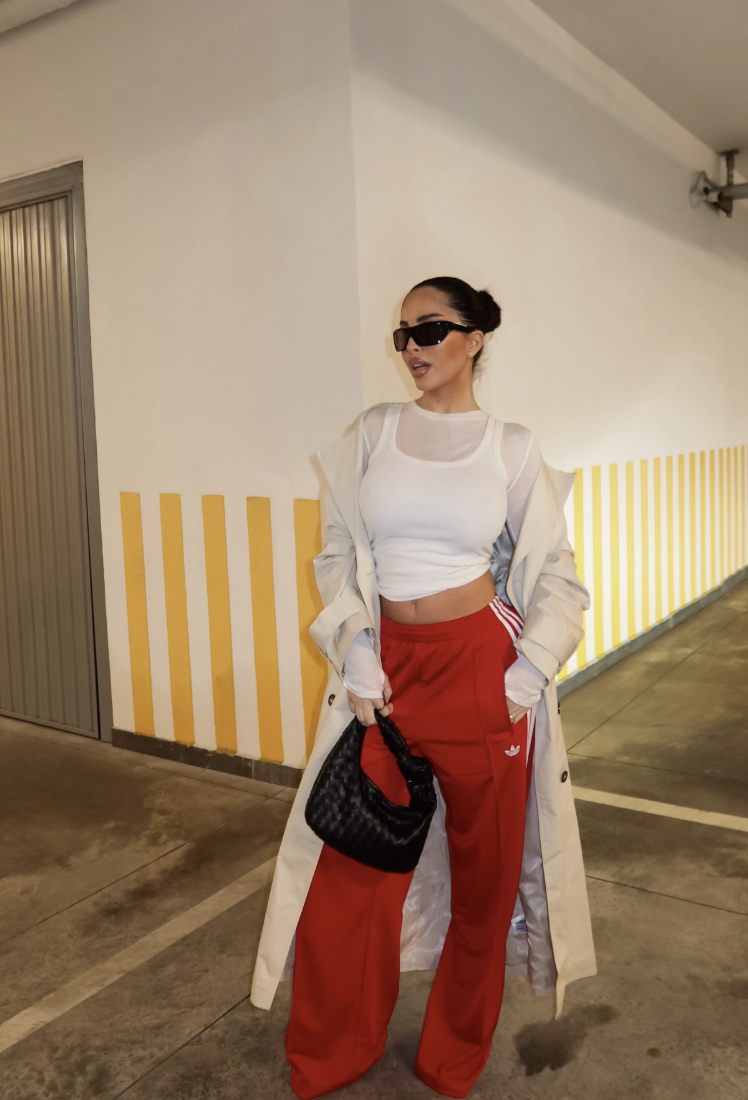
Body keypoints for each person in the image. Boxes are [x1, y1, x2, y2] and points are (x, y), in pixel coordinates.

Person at [250, 276, 596, 1099]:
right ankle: (336, 1047)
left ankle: (452, 1055)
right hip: (386, 677)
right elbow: (336, 553)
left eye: (431, 330)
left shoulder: (509, 446)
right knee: (351, 875)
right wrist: (355, 645)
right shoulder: (372, 434)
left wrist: (527, 670)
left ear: (475, 338)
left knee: (487, 879)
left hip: (482, 673)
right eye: (403, 333)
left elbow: (558, 577)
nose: (412, 347)